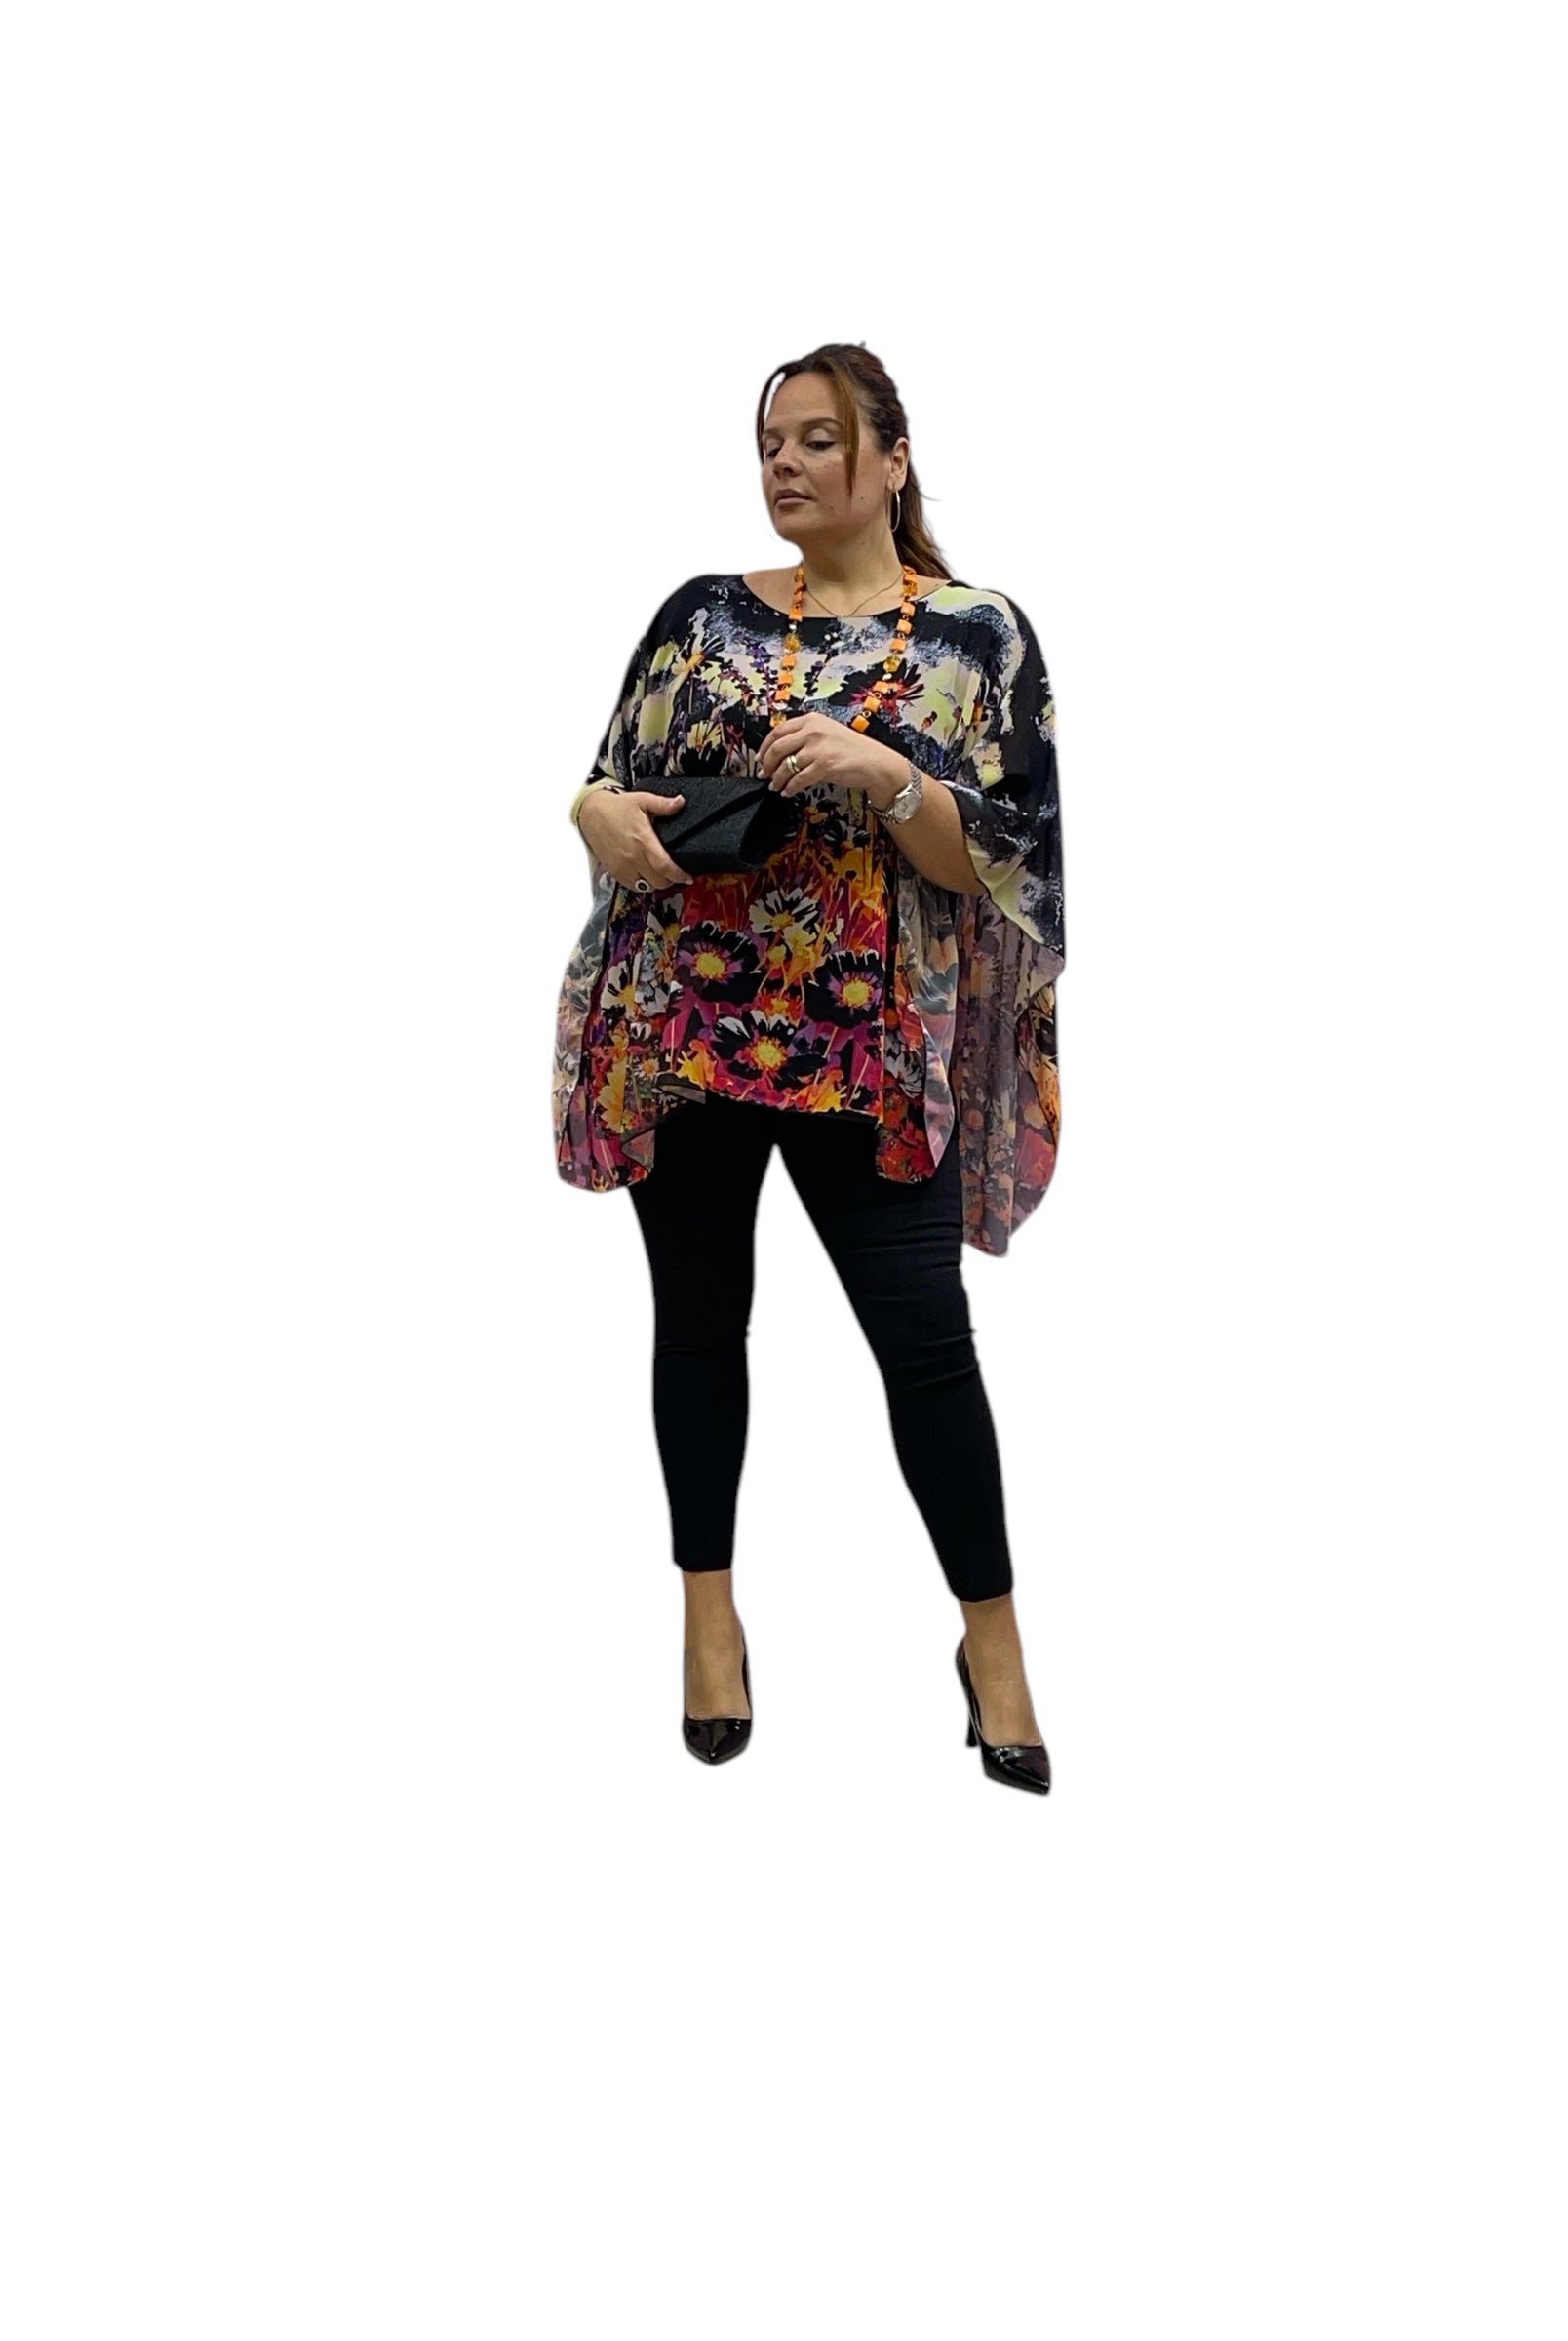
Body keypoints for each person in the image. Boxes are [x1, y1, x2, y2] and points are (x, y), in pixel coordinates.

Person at [550, 342, 1065, 1791]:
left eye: (819, 438)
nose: (784, 462)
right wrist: (593, 816)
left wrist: (885, 775)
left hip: (870, 1049)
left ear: (894, 459)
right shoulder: (700, 614)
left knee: (928, 1350)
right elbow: (606, 776)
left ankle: (995, 1648)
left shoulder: (975, 638)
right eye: (770, 440)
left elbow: (1008, 867)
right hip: (688, 1028)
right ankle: (707, 1622)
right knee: (699, 1328)